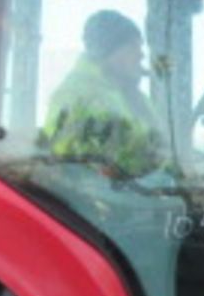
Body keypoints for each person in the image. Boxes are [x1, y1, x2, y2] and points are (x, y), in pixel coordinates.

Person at [40, 9, 166, 177]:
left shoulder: (135, 97)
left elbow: (159, 149)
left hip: (140, 191)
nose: (141, 55)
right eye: (131, 46)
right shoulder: (74, 96)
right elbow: (65, 163)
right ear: (107, 52)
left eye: (140, 46)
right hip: (97, 198)